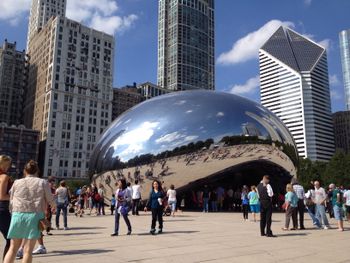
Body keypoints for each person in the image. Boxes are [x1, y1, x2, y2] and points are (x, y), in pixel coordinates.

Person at [4, 160, 55, 263]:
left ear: (25, 171)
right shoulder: (42, 182)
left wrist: (12, 212)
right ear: (37, 171)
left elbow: (11, 198)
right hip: (34, 216)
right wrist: (54, 206)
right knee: (28, 250)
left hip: (17, 215)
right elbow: (50, 198)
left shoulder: (17, 182)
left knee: (13, 248)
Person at [0, 155, 12, 259]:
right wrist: (15, 196)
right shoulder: (4, 177)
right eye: (8, 165)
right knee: (11, 238)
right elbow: (2, 196)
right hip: (2, 210)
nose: (9, 167)